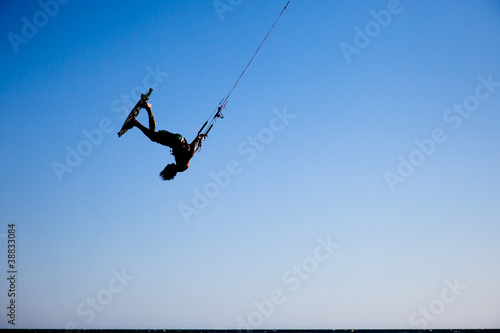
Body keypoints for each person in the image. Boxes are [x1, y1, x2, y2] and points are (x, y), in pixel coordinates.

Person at [124, 101, 206, 181]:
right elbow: (191, 153)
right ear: (170, 170)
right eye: (166, 167)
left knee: (153, 134)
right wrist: (198, 138)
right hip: (177, 141)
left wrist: (197, 138)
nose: (167, 165)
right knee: (153, 136)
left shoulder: (179, 165)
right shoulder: (182, 167)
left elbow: (190, 150)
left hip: (176, 141)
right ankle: (136, 121)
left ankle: (145, 111)